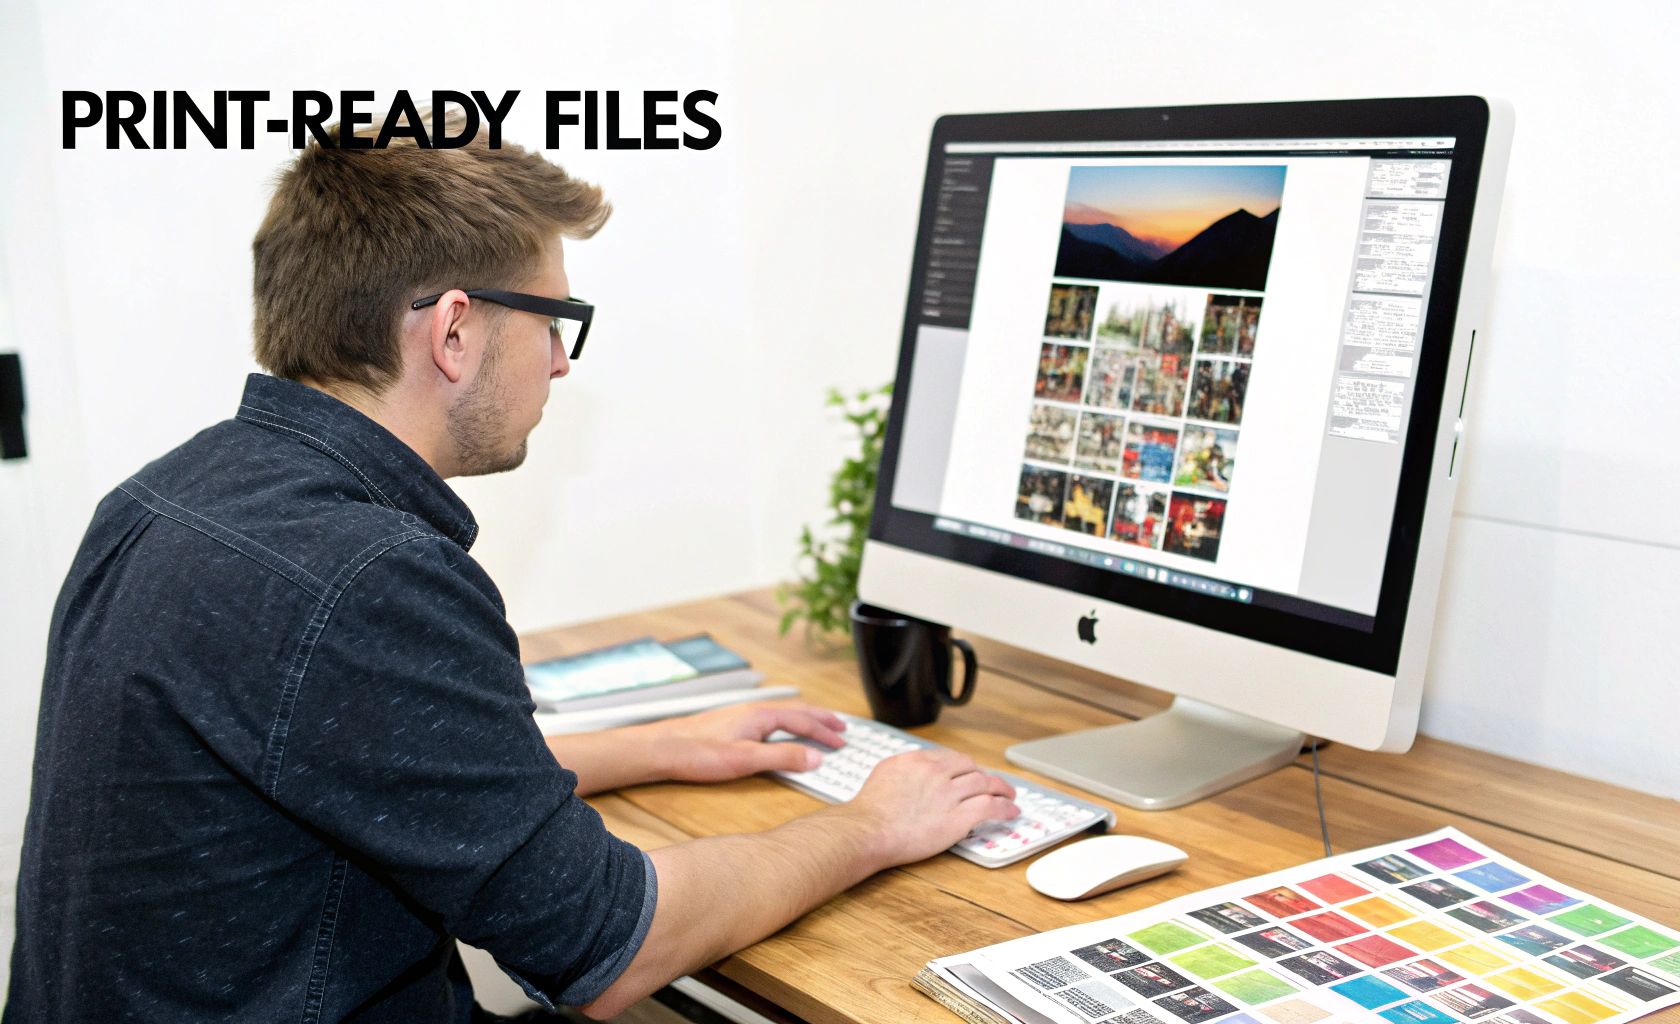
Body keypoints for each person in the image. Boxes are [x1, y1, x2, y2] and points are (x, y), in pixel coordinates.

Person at [4, 116, 1019, 1023]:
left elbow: (360, 757)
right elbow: (613, 946)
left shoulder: (166, 497)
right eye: (551, 324)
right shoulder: (364, 576)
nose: (562, 364)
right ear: (453, 330)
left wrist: (662, 744)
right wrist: (873, 825)